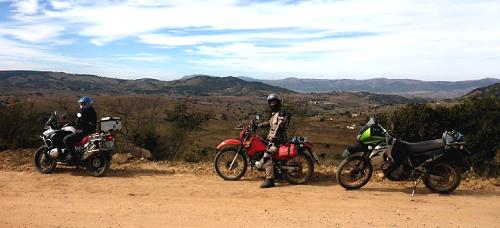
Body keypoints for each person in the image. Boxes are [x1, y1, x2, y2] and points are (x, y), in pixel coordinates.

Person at [255, 93, 290, 188]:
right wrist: (259, 125)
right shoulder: (275, 114)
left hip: (278, 141)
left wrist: (276, 136)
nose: (272, 104)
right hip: (275, 140)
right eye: (271, 102)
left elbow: (280, 124)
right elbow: (270, 123)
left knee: (267, 156)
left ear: (278, 103)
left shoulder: (281, 113)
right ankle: (277, 174)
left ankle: (270, 180)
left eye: (274, 102)